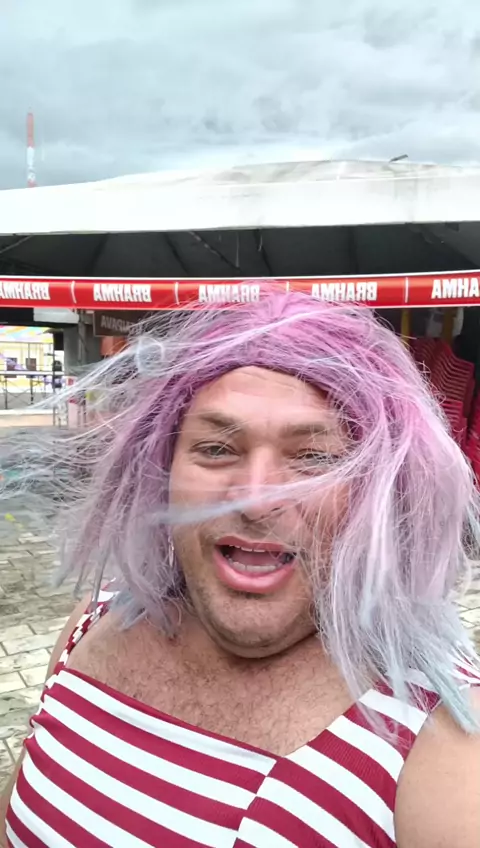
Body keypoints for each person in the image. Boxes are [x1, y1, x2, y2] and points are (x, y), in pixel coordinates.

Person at [1, 285, 479, 848]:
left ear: (380, 491)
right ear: (161, 471)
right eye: (216, 448)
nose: (255, 500)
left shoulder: (445, 740)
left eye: (314, 457)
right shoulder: (94, 621)